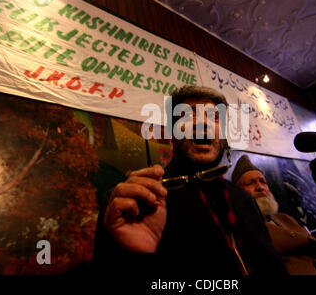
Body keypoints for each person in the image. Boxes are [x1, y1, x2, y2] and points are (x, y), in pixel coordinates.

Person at [91, 86, 287, 276]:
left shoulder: (244, 199)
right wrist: (132, 256)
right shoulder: (138, 201)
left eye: (214, 118)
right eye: (188, 115)